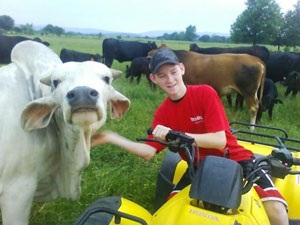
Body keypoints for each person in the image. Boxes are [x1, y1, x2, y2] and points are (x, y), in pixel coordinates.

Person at [91, 48, 288, 225]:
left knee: (277, 211)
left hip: (237, 161)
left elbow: (219, 140)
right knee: (168, 212)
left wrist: (177, 135)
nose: (170, 79)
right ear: (153, 79)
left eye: (173, 72)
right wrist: (111, 137)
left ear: (182, 69)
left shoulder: (205, 93)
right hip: (198, 167)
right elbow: (149, 152)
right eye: (162, 75)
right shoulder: (163, 114)